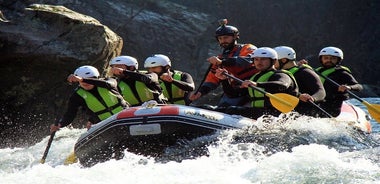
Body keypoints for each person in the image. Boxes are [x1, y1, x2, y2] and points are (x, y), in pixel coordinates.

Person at [189, 19, 258, 107]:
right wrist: (200, 92)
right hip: (234, 92)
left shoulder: (247, 48)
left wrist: (223, 62)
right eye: (220, 38)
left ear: (235, 36)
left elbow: (248, 60)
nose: (223, 41)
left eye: (226, 37)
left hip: (252, 88)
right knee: (223, 106)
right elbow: (212, 79)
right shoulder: (220, 58)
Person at [50, 65, 128, 132]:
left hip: (125, 116)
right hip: (104, 124)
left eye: (89, 79)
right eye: (81, 80)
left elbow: (109, 84)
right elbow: (70, 114)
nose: (85, 83)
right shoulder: (77, 95)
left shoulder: (109, 81)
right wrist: (60, 124)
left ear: (96, 78)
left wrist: (82, 79)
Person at [234, 47, 299, 119]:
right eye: (256, 59)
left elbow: (283, 85)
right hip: (259, 112)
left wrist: (257, 84)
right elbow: (233, 94)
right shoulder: (255, 77)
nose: (259, 62)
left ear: (274, 61)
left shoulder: (281, 74)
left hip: (275, 114)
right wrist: (224, 80)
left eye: (263, 59)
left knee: (232, 110)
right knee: (225, 109)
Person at [274, 46, 326, 117]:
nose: (272, 63)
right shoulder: (278, 74)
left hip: (306, 114)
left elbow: (321, 91)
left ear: (283, 60)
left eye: (274, 61)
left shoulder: (305, 72)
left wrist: (313, 98)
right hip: (288, 112)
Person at [315, 46, 363, 117]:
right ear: (321, 59)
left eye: (333, 58)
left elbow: (359, 87)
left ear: (338, 60)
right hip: (318, 101)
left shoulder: (342, 73)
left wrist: (348, 87)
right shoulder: (316, 71)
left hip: (333, 104)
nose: (329, 60)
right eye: (326, 58)